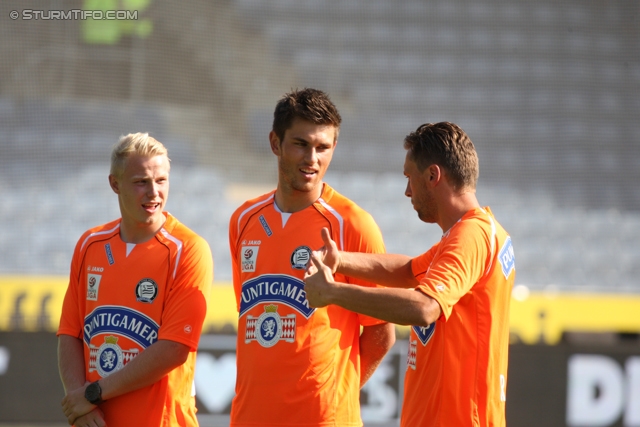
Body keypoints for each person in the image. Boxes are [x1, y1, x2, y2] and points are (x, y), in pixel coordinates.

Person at [304, 122, 516, 427]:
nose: (407, 191)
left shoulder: (472, 234)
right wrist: (341, 261)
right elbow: (408, 271)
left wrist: (334, 293)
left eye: (409, 178)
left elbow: (424, 307)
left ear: (432, 176)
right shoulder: (468, 233)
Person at [228, 88, 395, 426]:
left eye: (323, 147)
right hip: (250, 418)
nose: (312, 159)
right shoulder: (243, 221)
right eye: (301, 144)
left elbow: (381, 334)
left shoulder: (353, 225)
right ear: (275, 143)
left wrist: (334, 397)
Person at [57, 133, 214, 427]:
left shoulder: (189, 249)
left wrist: (92, 395)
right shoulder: (89, 245)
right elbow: (70, 333)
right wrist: (81, 404)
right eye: (141, 182)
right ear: (115, 184)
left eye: (161, 181)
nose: (154, 192)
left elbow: (174, 349)